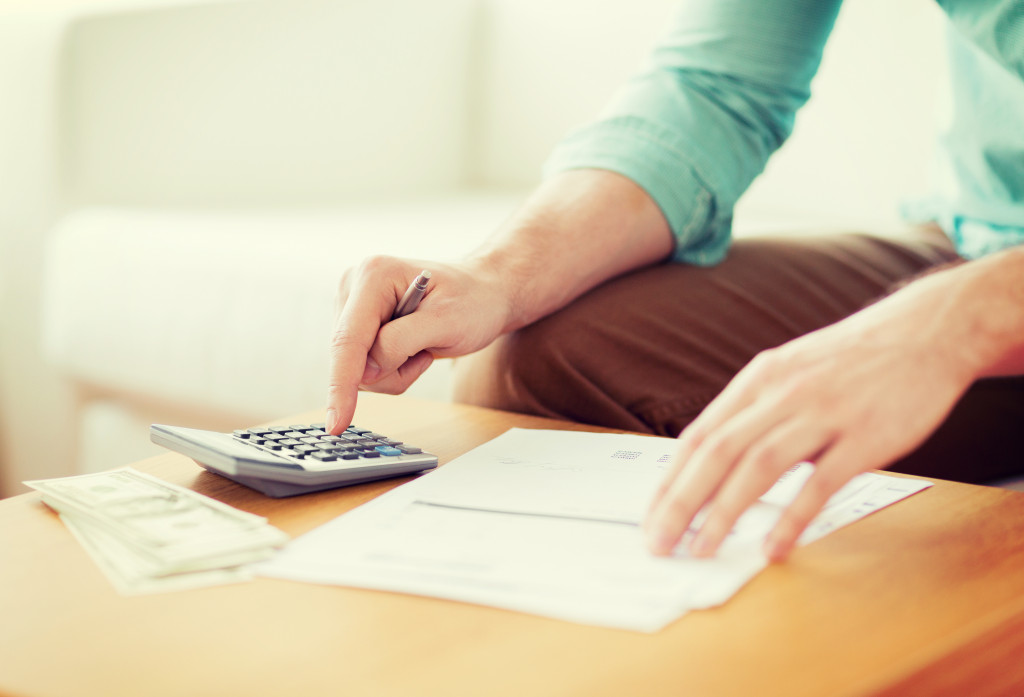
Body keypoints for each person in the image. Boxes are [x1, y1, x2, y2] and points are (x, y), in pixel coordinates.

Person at [326, 0, 1024, 563]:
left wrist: (958, 320)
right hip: (983, 237)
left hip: (989, 292)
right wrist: (497, 274)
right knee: (552, 356)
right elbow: (716, 87)